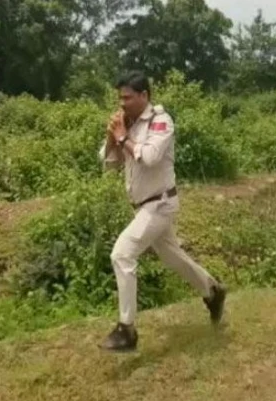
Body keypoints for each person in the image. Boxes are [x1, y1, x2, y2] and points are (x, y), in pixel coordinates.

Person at [98, 70, 226, 352]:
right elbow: (109, 164)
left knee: (122, 254)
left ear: (144, 96)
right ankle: (212, 291)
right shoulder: (127, 125)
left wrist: (122, 138)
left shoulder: (161, 122)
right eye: (120, 98)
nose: (122, 103)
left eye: (128, 98)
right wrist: (113, 137)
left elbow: (151, 157)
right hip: (143, 207)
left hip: (160, 204)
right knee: (173, 259)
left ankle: (126, 330)